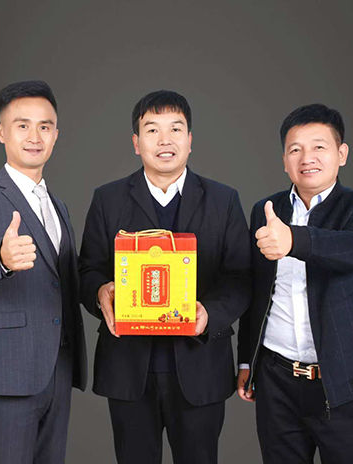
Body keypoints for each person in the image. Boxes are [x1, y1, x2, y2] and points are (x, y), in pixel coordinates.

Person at [79, 90, 251, 464]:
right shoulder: (108, 199)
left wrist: (210, 313)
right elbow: (87, 269)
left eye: (175, 129)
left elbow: (240, 277)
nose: (165, 140)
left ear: (190, 140)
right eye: (152, 130)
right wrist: (100, 291)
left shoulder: (223, 200)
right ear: (136, 143)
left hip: (201, 366)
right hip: (128, 369)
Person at [237, 103, 353, 463]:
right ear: (284, 160)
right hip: (276, 380)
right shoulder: (266, 209)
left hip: (344, 381)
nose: (307, 158)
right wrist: (246, 361)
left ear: (341, 154)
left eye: (319, 146)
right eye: (295, 149)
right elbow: (255, 289)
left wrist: (293, 240)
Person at [0, 80, 87, 464]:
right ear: (1, 132)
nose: (34, 136)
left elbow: (64, 280)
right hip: (5, 374)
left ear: (56, 135)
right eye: (22, 125)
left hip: (58, 370)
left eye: (45, 126)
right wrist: (1, 258)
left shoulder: (58, 206)